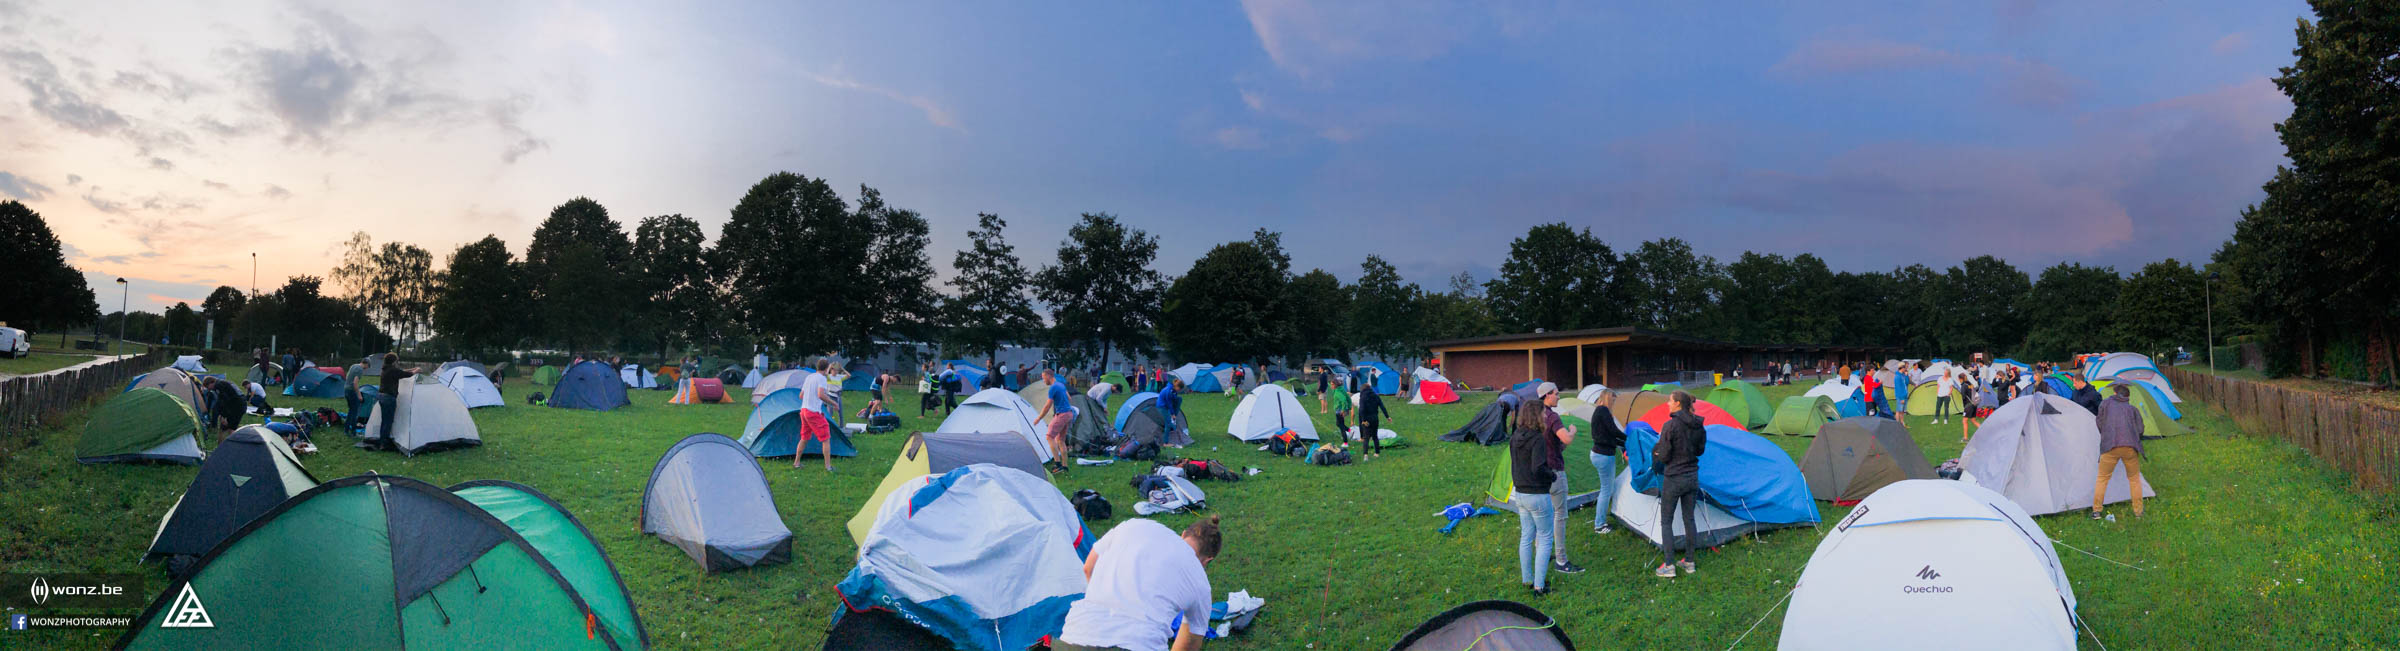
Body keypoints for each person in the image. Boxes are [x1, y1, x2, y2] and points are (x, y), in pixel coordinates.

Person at [1055, 516, 1220, 651]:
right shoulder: (1200, 582)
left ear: (1183, 534)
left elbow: (1088, 568)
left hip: (1077, 635)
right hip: (1139, 644)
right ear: (1207, 560)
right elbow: (1190, 641)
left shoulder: (1134, 525)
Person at [1507, 381, 1573, 595]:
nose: (1546, 417)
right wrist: (1551, 474)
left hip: (1520, 493)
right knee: (1544, 538)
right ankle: (1539, 586)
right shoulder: (1537, 439)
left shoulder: (1515, 436)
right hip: (1537, 494)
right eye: (1542, 415)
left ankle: (1527, 580)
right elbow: (1538, 467)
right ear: (1536, 416)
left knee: (1526, 536)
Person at [1654, 391, 1706, 578]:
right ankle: (1689, 561)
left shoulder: (1670, 426)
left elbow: (1665, 456)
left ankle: (1669, 565)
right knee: (1689, 519)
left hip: (1674, 478)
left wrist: (1659, 454)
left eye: (1669, 400)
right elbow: (1700, 450)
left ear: (1677, 403)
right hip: (1692, 476)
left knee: (1666, 521)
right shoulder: (1698, 425)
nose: (1668, 403)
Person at [2093, 384, 2147, 519]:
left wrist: (2106, 434)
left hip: (2109, 446)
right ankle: (2138, 512)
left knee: (2102, 479)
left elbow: (2099, 422)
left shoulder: (2104, 404)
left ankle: (2096, 511)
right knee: (2134, 479)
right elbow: (2140, 429)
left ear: (2115, 392)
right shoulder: (2132, 409)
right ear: (2127, 397)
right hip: (2129, 447)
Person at [1586, 402, 1627, 534]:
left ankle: (1600, 520)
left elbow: (1609, 437)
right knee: (1606, 491)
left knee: (1605, 489)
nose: (1614, 403)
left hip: (1597, 453)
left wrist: (1624, 442)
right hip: (1604, 455)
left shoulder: (1598, 412)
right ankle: (1599, 525)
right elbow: (1613, 431)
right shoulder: (1603, 410)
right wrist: (1628, 437)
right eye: (1613, 400)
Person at [794, 359, 836, 472]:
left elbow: (801, 395)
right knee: (826, 438)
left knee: (804, 437)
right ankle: (828, 467)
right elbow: (820, 394)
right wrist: (833, 403)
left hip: (803, 411)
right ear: (826, 368)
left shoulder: (809, 377)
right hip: (813, 412)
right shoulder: (822, 379)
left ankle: (797, 463)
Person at [1033, 368, 1075, 474]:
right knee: (1060, 440)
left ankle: (1058, 464)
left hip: (1062, 415)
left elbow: (1048, 406)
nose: (1043, 381)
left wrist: (1038, 418)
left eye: (1043, 378)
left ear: (1048, 376)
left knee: (1049, 437)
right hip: (1069, 413)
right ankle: (1065, 467)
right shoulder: (1061, 384)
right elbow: (1069, 398)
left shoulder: (1053, 388)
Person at [1355, 375, 1394, 459]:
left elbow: (1361, 409)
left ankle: (1365, 455)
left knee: (1366, 437)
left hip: (1367, 419)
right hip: (1375, 419)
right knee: (1375, 436)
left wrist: (1363, 420)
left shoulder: (1363, 397)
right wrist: (1387, 417)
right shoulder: (1376, 396)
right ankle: (1377, 453)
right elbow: (1382, 406)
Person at [377, 353, 415, 438]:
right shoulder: (393, 370)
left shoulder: (386, 368)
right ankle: (384, 443)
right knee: (388, 421)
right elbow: (406, 374)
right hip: (389, 398)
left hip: (381, 396)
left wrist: (413, 369)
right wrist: (416, 371)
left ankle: (382, 439)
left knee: (384, 420)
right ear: (394, 362)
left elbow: (401, 371)